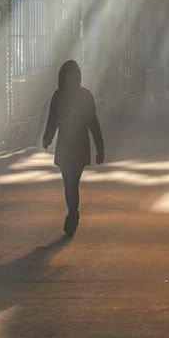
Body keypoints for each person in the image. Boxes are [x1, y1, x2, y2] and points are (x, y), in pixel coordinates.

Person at [41, 59, 105, 236]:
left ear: (78, 76)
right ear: (63, 77)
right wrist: (48, 137)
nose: (70, 79)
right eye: (67, 75)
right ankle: (73, 212)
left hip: (80, 145)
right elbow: (52, 119)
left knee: (72, 182)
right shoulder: (58, 96)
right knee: (68, 183)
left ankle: (72, 215)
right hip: (64, 145)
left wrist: (100, 148)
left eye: (73, 75)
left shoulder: (85, 96)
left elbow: (93, 122)